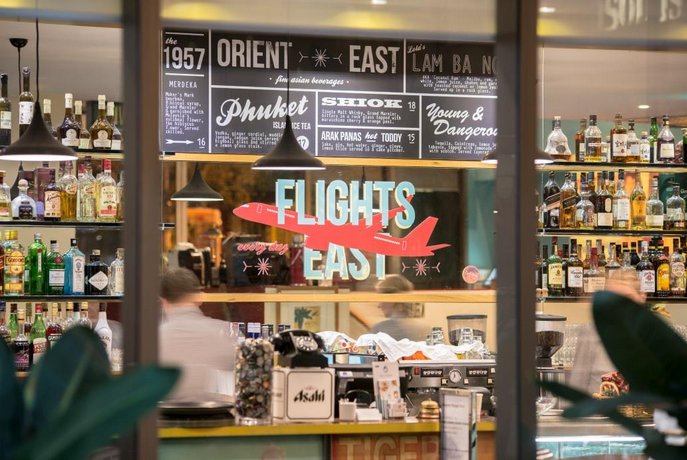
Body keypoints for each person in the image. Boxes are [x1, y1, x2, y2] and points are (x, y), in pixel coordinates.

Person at [159, 267, 235, 400]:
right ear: (200, 298)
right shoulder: (222, 332)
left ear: (163, 302)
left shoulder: (151, 339)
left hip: (160, 412)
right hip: (215, 411)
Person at [369, 274, 427, 341]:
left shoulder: (379, 331)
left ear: (391, 299)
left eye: (381, 299)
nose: (379, 306)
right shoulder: (425, 329)